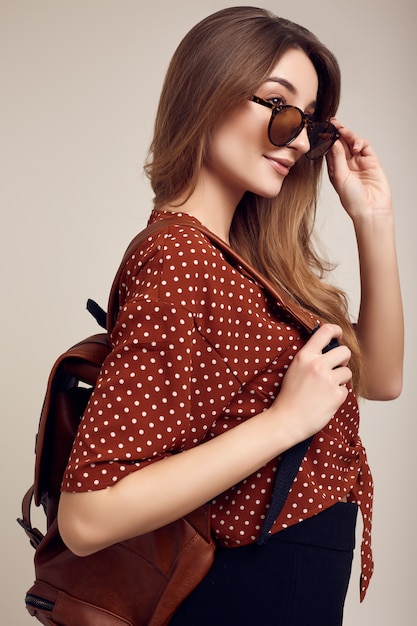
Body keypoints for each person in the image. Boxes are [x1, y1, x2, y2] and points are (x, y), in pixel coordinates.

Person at [57, 6, 403, 625]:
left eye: (310, 124)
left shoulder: (245, 264)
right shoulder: (180, 256)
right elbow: (87, 516)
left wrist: (373, 223)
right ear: (209, 90)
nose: (298, 139)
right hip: (244, 594)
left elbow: (380, 380)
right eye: (280, 106)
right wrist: (282, 422)